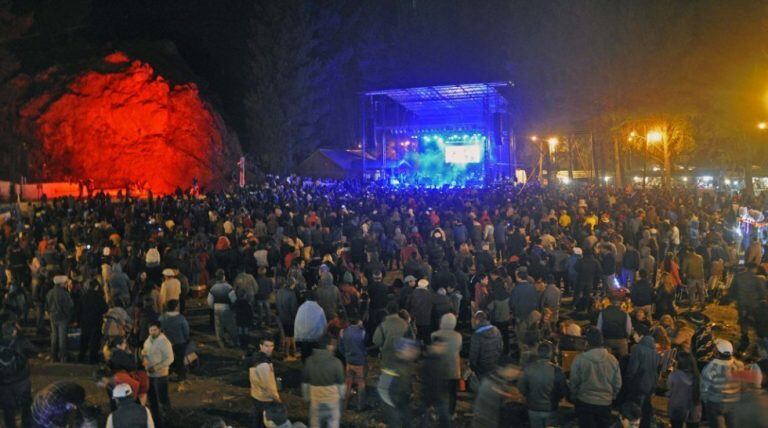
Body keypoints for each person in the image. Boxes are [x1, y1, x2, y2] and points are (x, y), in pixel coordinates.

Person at [570, 328, 622, 428]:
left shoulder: (580, 359)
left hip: (585, 400)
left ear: (587, 343)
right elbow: (617, 383)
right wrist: (612, 395)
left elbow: (574, 381)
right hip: (605, 402)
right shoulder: (612, 359)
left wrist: (575, 394)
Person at [517, 341, 569, 428]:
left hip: (533, 408)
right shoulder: (557, 370)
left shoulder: (528, 369)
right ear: (551, 354)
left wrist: (529, 396)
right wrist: (557, 398)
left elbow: (521, 387)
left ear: (538, 353)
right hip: (551, 408)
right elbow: (563, 390)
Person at [700, 339, 747, 428]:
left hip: (715, 404)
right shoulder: (739, 365)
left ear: (716, 352)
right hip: (733, 403)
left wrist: (707, 401)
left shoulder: (711, 367)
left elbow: (704, 388)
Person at [302, 336, 345, 428]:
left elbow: (305, 382)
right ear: (328, 346)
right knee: (333, 421)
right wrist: (341, 396)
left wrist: (306, 397)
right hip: (332, 399)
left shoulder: (309, 361)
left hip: (316, 399)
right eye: (332, 345)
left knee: (315, 423)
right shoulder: (336, 362)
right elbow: (341, 384)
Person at [0, 321, 36, 428]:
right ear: (14, 331)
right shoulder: (20, 341)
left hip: (4, 383)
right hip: (22, 381)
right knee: (26, 406)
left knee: (8, 410)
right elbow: (34, 351)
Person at [377, 338, 419, 428]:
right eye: (410, 349)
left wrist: (410, 392)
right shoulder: (391, 365)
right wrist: (391, 407)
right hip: (391, 403)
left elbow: (406, 381)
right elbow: (382, 387)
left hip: (402, 400)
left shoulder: (407, 363)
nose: (414, 352)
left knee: (408, 421)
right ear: (402, 350)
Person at [141, 321, 174, 428]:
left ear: (159, 329)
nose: (152, 332)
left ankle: (167, 423)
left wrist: (156, 367)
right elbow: (145, 351)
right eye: (150, 330)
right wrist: (143, 356)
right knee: (152, 400)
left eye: (155, 330)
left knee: (163, 401)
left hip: (161, 376)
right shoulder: (148, 340)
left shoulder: (164, 342)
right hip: (149, 375)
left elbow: (170, 358)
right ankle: (156, 422)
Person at [626, 335, 661, 428]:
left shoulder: (638, 350)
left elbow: (632, 369)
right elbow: (656, 372)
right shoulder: (655, 353)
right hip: (650, 385)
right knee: (646, 408)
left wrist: (628, 381)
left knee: (636, 409)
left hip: (638, 384)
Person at [431, 313, 462, 416]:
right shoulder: (458, 336)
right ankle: (451, 412)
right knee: (452, 393)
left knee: (438, 391)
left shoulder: (435, 335)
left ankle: (437, 412)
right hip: (453, 368)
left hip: (439, 369)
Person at [419, 337, 452, 427]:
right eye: (439, 346)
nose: (442, 348)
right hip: (430, 396)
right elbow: (425, 381)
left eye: (443, 346)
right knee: (426, 420)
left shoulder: (443, 361)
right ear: (433, 346)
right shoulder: (428, 362)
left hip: (440, 395)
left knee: (444, 419)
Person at [250, 337, 280, 428]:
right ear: (261, 346)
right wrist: (277, 398)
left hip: (255, 395)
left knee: (256, 421)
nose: (269, 348)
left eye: (271, 346)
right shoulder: (264, 364)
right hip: (265, 399)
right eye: (266, 346)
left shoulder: (256, 358)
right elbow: (268, 385)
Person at [667, 352, 702, 428]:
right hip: (694, 410)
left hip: (677, 409)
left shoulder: (674, 375)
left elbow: (669, 390)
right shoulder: (697, 377)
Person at [339, 315, 367, 411]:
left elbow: (340, 347)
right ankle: (360, 406)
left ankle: (344, 405)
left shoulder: (343, 332)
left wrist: (346, 355)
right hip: (359, 362)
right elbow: (365, 346)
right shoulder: (362, 332)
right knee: (360, 383)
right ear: (358, 321)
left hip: (349, 362)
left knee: (348, 383)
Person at [158, 299, 190, 381]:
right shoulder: (181, 318)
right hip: (180, 342)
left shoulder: (162, 318)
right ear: (176, 307)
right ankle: (181, 375)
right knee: (180, 360)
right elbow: (186, 331)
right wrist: (186, 339)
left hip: (167, 343)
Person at [373, 302, 411, 368]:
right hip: (402, 357)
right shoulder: (405, 324)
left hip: (387, 357)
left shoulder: (383, 325)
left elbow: (376, 341)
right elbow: (412, 338)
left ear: (387, 311)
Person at [78, 279, 108, 364]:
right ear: (97, 287)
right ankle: (93, 358)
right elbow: (105, 308)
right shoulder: (99, 297)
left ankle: (81, 357)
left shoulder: (84, 296)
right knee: (94, 341)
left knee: (84, 340)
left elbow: (79, 309)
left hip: (85, 321)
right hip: (96, 321)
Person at [207, 269, 239, 348]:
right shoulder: (228, 287)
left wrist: (213, 307)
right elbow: (234, 299)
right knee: (231, 326)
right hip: (226, 308)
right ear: (224, 277)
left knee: (218, 327)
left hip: (217, 308)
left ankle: (221, 343)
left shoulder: (213, 288)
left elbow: (209, 301)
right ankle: (235, 342)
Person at [46, 274, 74, 362]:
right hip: (62, 317)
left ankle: (53, 355)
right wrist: (68, 315)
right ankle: (63, 356)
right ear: (61, 284)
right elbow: (70, 305)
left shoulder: (50, 292)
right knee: (62, 337)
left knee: (54, 336)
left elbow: (46, 305)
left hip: (53, 316)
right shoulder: (64, 293)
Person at [294, 291, 327, 363]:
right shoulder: (319, 309)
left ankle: (305, 369)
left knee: (305, 356)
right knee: (314, 356)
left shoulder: (301, 308)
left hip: (303, 337)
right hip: (315, 338)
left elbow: (298, 322)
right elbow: (324, 324)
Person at [469, 310, 502, 380]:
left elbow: (473, 355)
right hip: (494, 364)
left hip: (481, 368)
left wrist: (472, 367)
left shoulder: (476, 336)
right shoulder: (496, 330)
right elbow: (500, 347)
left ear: (477, 320)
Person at [486, 280, 511, 355]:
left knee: (495, 336)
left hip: (496, 320)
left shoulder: (493, 296)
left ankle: (496, 350)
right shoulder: (507, 294)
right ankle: (506, 350)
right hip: (506, 319)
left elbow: (490, 308)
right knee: (505, 335)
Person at [406, 278, 434, 345]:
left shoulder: (413, 293)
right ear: (426, 286)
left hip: (415, 319)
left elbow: (407, 305)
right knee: (426, 339)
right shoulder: (430, 295)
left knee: (416, 337)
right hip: (426, 320)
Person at [276, 279, 299, 360]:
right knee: (288, 336)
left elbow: (277, 304)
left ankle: (295, 351)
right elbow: (293, 308)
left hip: (281, 316)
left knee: (290, 335)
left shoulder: (279, 291)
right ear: (292, 284)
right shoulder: (291, 293)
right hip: (289, 318)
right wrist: (295, 317)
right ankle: (286, 354)